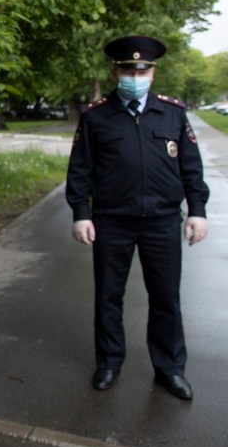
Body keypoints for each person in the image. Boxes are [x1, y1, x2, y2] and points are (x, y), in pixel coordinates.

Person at [66, 35, 209, 400]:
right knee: (109, 297)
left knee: (165, 298)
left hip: (162, 220)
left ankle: (170, 369)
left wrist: (197, 211)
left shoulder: (173, 113)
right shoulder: (96, 116)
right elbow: (80, 170)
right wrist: (81, 213)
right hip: (112, 220)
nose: (136, 74)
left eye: (143, 68)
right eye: (129, 69)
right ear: (115, 72)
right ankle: (110, 361)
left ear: (152, 72)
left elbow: (191, 168)